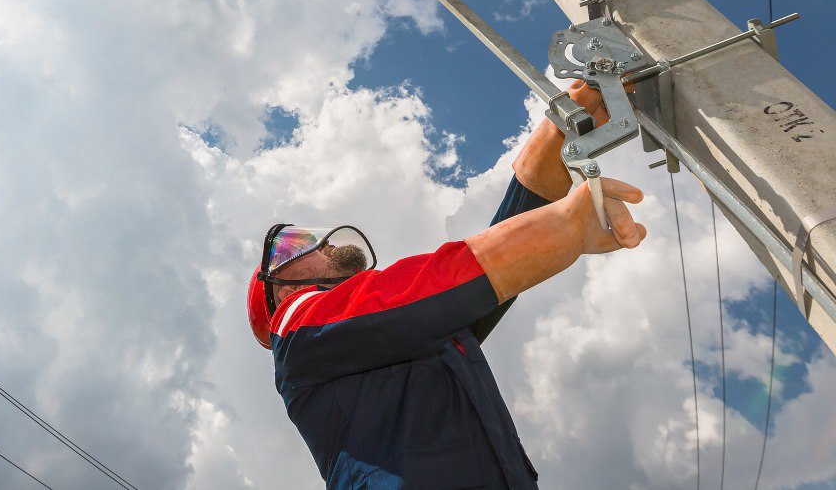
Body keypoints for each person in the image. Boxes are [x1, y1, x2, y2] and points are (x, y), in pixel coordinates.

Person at [247, 81, 646, 488]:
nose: (322, 242)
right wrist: (564, 227)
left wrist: (553, 139)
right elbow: (439, 285)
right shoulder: (296, 329)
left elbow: (471, 286)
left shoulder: (413, 328)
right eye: (293, 246)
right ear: (286, 293)